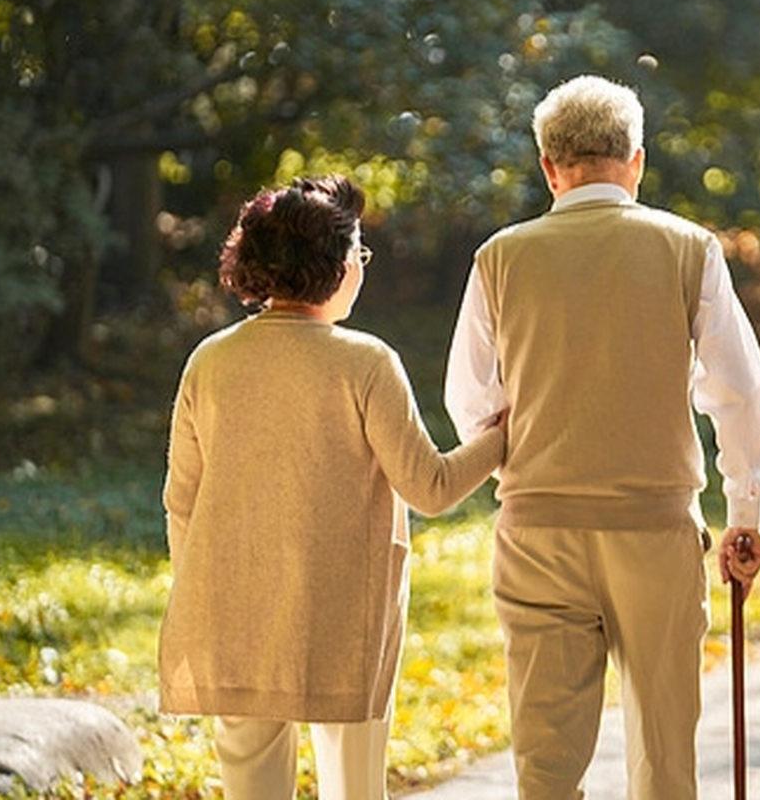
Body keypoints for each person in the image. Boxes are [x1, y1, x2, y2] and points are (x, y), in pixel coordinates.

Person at [444, 74, 760, 800]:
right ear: (637, 161)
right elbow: (740, 392)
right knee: (663, 757)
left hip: (537, 532)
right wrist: (743, 514)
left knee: (545, 763)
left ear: (547, 168)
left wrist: (524, 436)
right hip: (652, 532)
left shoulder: (500, 257)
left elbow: (470, 402)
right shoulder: (687, 249)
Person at [158, 175, 506, 800]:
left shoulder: (209, 361)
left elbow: (181, 501)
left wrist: (204, 587)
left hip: (233, 611)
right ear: (340, 265)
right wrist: (504, 436)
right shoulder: (365, 363)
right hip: (343, 613)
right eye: (360, 255)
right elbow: (429, 487)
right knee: (353, 782)